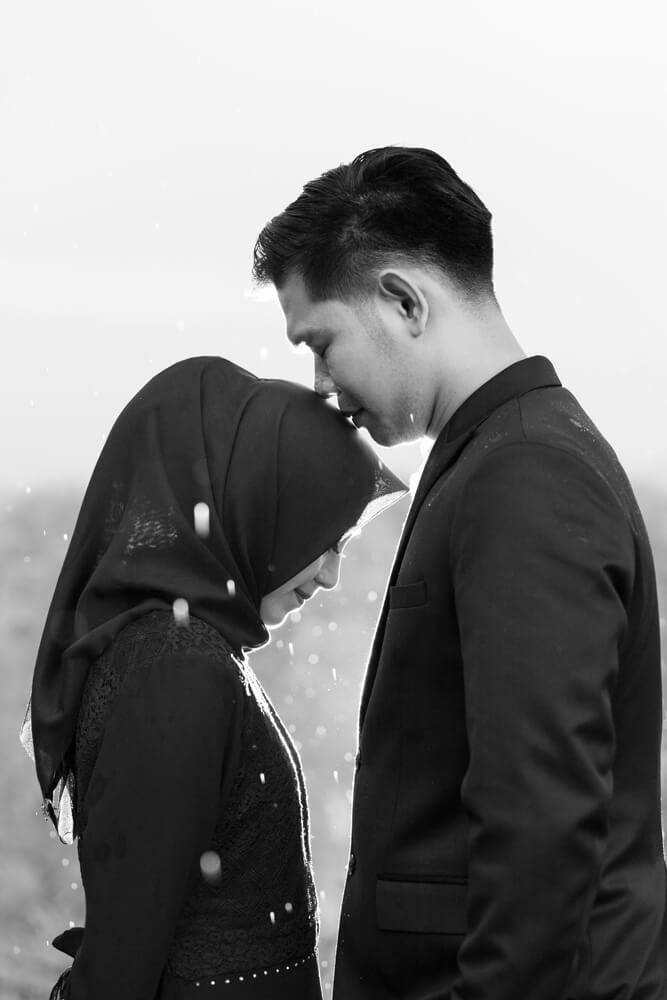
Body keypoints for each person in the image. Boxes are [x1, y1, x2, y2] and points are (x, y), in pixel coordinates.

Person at [252, 146, 667, 998]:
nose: (320, 384)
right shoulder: (499, 455)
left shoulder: (524, 475)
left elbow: (541, 824)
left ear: (403, 301)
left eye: (321, 343)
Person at [20, 356, 405, 1000]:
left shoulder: (195, 653)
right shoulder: (177, 668)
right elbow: (119, 974)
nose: (331, 575)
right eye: (324, 538)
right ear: (259, 509)